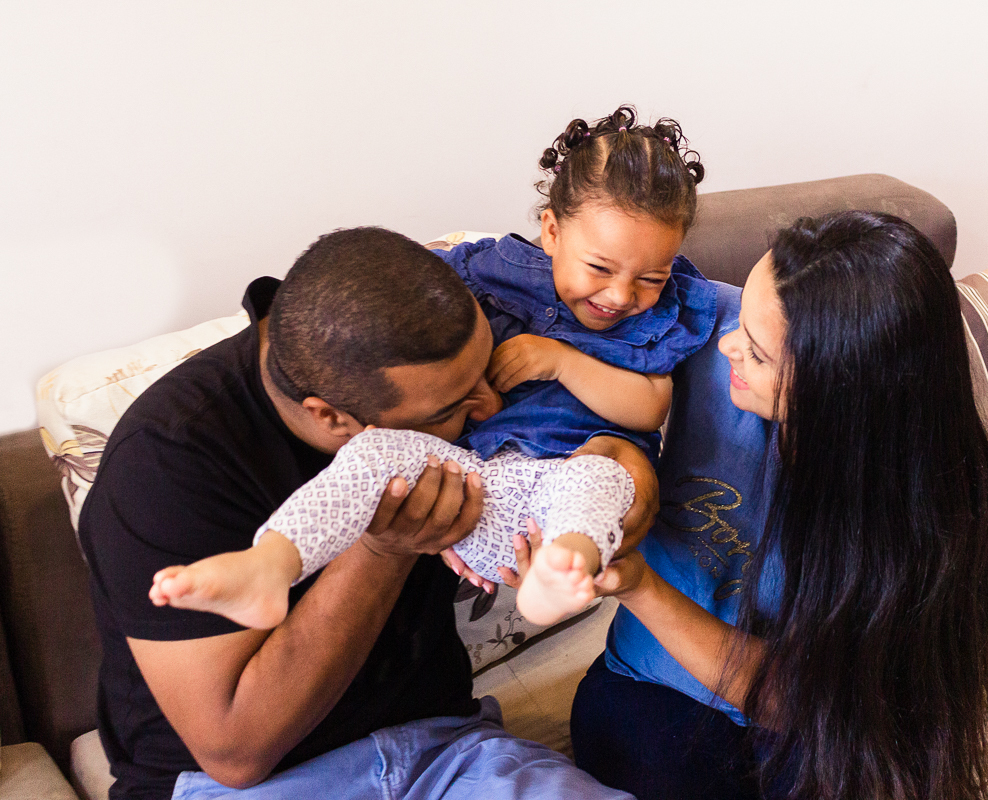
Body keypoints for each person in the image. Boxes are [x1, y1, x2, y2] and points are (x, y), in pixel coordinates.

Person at [78, 227, 652, 799]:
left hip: (444, 750)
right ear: (330, 417)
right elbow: (235, 753)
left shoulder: (444, 335)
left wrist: (612, 485)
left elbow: (616, 473)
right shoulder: (167, 462)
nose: (492, 406)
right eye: (454, 408)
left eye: (483, 371)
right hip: (247, 785)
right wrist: (385, 547)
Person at [149, 104, 715, 629]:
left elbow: (649, 407)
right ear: (551, 230)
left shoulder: (659, 319)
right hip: (466, 486)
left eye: (650, 278)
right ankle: (270, 563)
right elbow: (390, 299)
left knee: (606, 471)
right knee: (371, 452)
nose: (620, 296)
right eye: (600, 267)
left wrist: (562, 363)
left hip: (561, 493)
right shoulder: (490, 271)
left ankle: (561, 572)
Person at [568, 211, 988, 800]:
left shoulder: (928, 501)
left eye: (755, 351)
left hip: (813, 720)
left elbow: (795, 700)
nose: (727, 344)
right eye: (739, 320)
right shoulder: (703, 325)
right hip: (650, 691)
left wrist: (640, 586)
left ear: (840, 393)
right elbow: (550, 291)